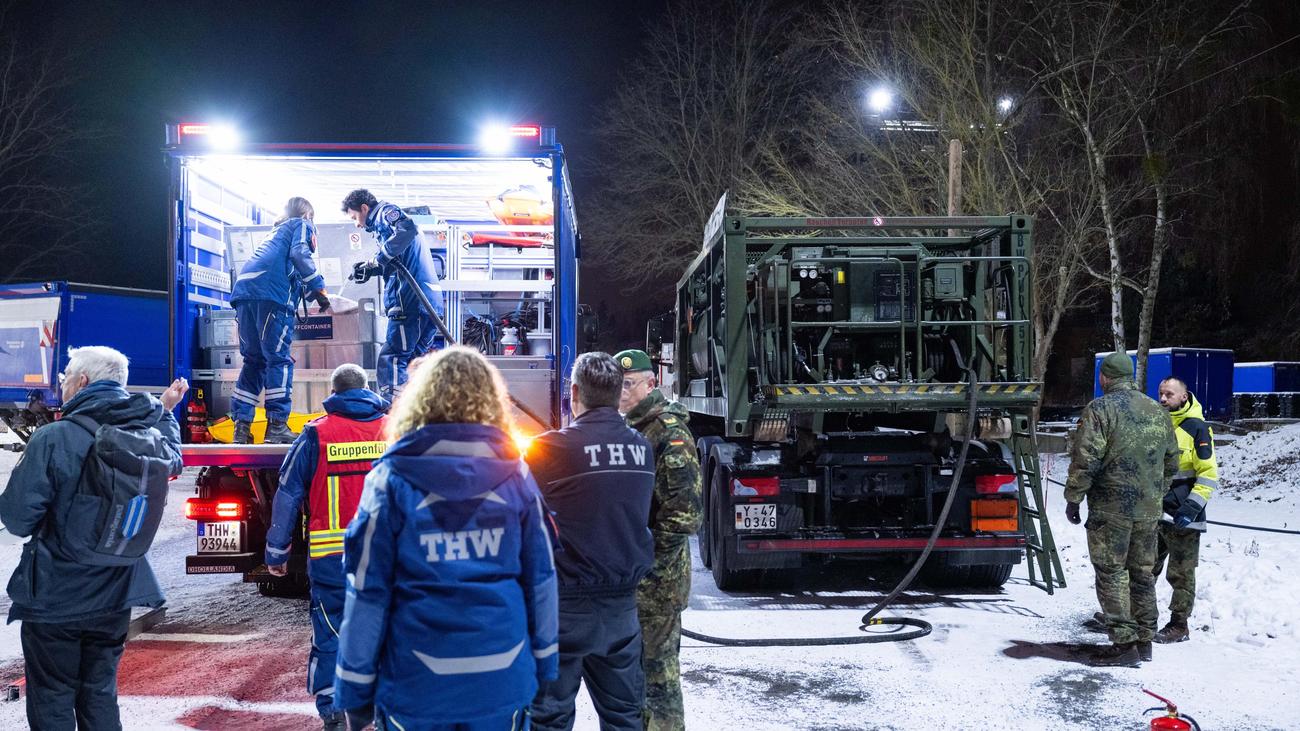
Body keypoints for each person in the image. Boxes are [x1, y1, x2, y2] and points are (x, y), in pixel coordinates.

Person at [334, 346, 557, 731]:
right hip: (501, 679)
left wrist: (354, 691)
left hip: (416, 685)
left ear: (419, 399)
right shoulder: (516, 475)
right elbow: (541, 580)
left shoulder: (390, 478)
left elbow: (367, 592)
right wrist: (545, 663)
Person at [0, 346, 188, 730]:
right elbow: (175, 456)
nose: (63, 384)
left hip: (56, 596)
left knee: (53, 695)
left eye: (66, 377)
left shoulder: (54, 437)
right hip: (116, 594)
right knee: (99, 692)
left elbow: (17, 519)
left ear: (82, 382)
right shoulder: (145, 434)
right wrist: (166, 411)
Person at [528, 353, 656, 731]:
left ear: (574, 392)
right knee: (624, 717)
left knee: (549, 718)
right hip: (622, 610)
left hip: (563, 608)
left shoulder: (548, 448)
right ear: (618, 393)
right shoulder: (642, 448)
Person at [264, 364, 389, 731]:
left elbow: (288, 494)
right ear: (367, 388)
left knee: (331, 634)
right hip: (385, 557)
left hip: (331, 559)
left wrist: (277, 552)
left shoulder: (315, 434)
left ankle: (334, 713)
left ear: (333, 393)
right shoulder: (395, 429)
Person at [1064, 351, 1179, 667]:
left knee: (1111, 572)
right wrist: (1155, 492)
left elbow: (1087, 458)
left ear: (1105, 377)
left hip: (1110, 509)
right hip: (1148, 509)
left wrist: (1074, 497)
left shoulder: (1100, 409)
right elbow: (1172, 460)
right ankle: (1144, 640)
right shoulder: (1158, 411)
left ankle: (1123, 643)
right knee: (1142, 573)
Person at [615, 349, 702, 730]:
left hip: (658, 585)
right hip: (640, 582)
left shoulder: (668, 432)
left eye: (629, 384)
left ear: (651, 383)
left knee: (659, 682)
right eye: (617, 385)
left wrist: (649, 569)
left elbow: (684, 515)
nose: (622, 392)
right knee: (636, 682)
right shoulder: (636, 429)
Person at [230, 196, 330, 444]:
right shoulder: (302, 224)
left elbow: (286, 268)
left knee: (254, 361)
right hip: (271, 298)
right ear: (307, 214)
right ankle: (277, 426)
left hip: (243, 294)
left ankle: (241, 429)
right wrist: (320, 287)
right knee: (279, 360)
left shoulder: (275, 232)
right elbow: (300, 254)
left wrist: (310, 292)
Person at [341, 189, 445, 400]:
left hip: (409, 303)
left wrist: (378, 259)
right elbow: (399, 262)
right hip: (429, 304)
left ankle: (392, 409)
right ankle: (415, 407)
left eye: (354, 217)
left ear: (364, 208)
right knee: (412, 362)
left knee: (392, 358)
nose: (357, 225)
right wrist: (371, 268)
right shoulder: (384, 229)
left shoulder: (384, 213)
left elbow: (407, 230)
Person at [1153, 377, 1218, 644]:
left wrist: (1190, 508)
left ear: (1184, 396)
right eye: (1160, 393)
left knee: (1181, 574)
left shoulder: (1197, 428)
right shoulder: (1156, 424)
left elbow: (1208, 474)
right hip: (1155, 513)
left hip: (1184, 517)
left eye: (1169, 394)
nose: (1163, 398)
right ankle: (1136, 618)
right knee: (1143, 568)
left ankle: (1179, 625)